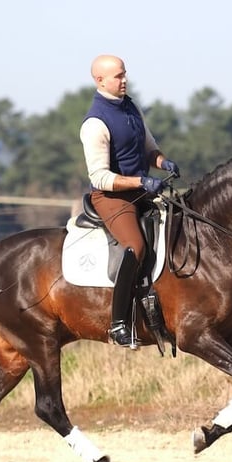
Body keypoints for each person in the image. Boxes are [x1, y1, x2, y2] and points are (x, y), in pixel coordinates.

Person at [80, 54, 180, 347]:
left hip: (142, 191)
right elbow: (99, 177)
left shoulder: (132, 106)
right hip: (112, 198)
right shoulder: (94, 123)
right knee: (135, 247)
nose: (124, 80)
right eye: (118, 76)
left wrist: (163, 162)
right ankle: (119, 322)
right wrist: (140, 181)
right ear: (100, 81)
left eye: (125, 75)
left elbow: (149, 148)